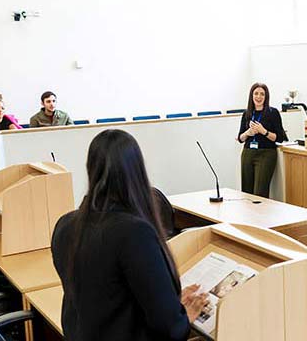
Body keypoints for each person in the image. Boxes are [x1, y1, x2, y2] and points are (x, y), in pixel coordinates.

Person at [51, 129, 209, 341]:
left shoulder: (65, 225)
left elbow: (108, 297)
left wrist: (170, 302)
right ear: (137, 172)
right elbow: (169, 329)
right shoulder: (135, 232)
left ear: (91, 169)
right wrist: (183, 316)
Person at [237, 82, 287, 198]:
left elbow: (279, 138)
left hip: (266, 153)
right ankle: (249, 216)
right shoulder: (247, 113)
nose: (258, 97)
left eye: (262, 94)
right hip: (248, 153)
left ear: (266, 97)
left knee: (260, 192)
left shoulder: (272, 113)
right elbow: (240, 138)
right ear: (251, 95)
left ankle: (261, 216)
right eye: (256, 94)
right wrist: (248, 133)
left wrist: (264, 131)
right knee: (246, 192)